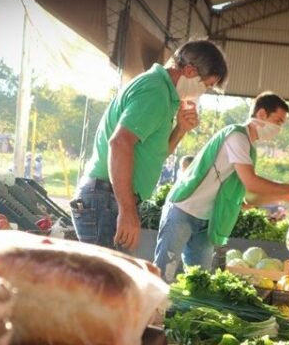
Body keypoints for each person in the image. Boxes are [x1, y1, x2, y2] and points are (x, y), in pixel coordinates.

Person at [71, 39, 228, 251]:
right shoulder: (155, 93)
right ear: (190, 71)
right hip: (106, 199)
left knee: (113, 279)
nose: (203, 92)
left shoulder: (162, 93)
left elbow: (154, 155)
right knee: (106, 282)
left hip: (108, 198)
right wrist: (127, 210)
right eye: (206, 85)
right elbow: (119, 143)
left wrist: (180, 128)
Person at [153, 92, 289, 282]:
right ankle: (152, 312)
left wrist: (285, 197)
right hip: (183, 209)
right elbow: (252, 182)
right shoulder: (236, 136)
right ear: (261, 115)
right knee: (162, 275)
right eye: (278, 121)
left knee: (198, 282)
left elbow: (249, 198)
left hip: (207, 220)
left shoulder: (248, 148)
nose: (279, 128)